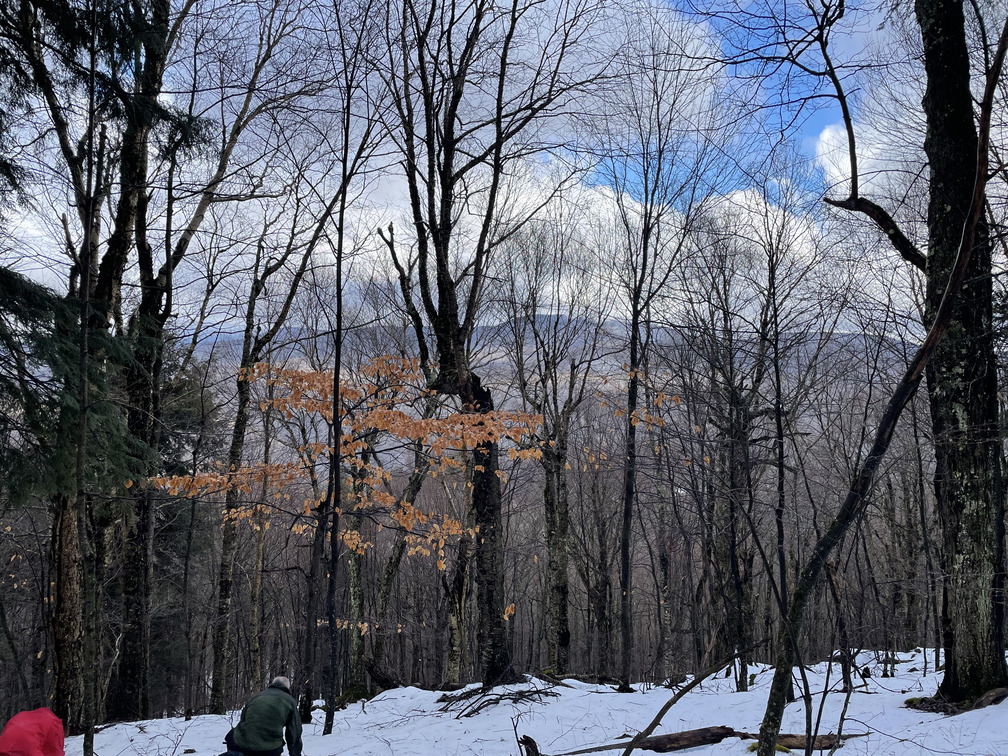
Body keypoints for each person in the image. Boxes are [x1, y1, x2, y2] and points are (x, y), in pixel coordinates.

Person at [224, 677, 302, 756]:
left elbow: (243, 720)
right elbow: (294, 732)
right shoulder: (290, 701)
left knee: (233, 735)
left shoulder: (256, 697)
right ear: (287, 687)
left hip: (241, 745)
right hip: (269, 749)